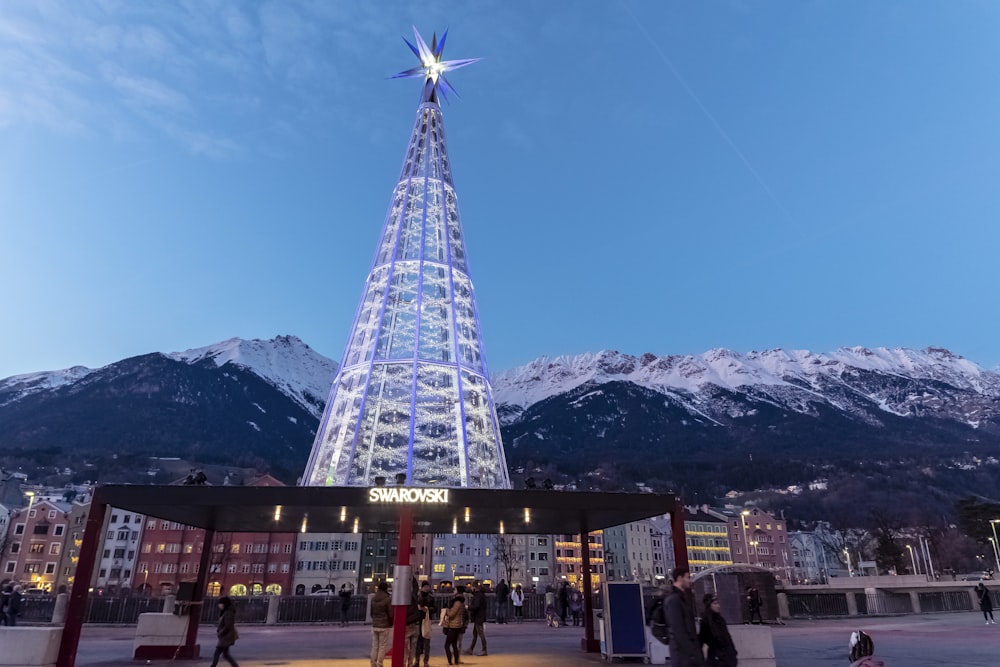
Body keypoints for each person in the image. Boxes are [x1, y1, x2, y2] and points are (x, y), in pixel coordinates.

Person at [665, 568, 704, 667]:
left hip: (685, 655)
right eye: (687, 577)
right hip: (683, 656)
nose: (689, 580)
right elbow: (678, 630)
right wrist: (692, 653)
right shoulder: (674, 600)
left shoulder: (680, 598)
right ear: (679, 578)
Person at [699, 594, 738, 667]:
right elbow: (702, 639)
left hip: (728, 657)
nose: (718, 606)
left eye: (718, 603)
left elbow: (727, 637)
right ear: (709, 605)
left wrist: (733, 653)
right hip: (716, 658)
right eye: (715, 604)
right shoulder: (705, 622)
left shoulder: (720, 619)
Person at [209, 596, 239, 667]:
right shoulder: (226, 612)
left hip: (226, 636)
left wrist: (220, 632)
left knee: (217, 652)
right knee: (226, 654)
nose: (219, 605)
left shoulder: (228, 613)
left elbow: (228, 625)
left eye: (220, 603)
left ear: (224, 604)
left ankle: (213, 666)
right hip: (226, 636)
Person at [415, 581, 438, 667]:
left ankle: (425, 661)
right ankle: (417, 660)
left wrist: (428, 609)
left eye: (428, 586)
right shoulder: (418, 596)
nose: (427, 588)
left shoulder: (431, 597)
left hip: (427, 620)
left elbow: (435, 608)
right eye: (425, 586)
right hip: (419, 620)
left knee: (426, 641)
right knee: (418, 641)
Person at [370, 582, 393, 667]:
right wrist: (391, 622)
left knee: (375, 645)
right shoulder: (387, 599)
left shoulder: (373, 599)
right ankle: (380, 663)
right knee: (382, 646)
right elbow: (390, 613)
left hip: (375, 624)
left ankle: (373, 663)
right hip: (384, 625)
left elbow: (371, 613)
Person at [442, 594, 466, 666]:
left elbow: (451, 614)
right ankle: (456, 661)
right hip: (457, 626)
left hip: (453, 626)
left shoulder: (457, 603)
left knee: (447, 645)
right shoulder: (461, 603)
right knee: (454, 644)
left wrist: (446, 609)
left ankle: (450, 661)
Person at [404, 579, 422, 667]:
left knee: (405, 647)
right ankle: (410, 663)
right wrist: (413, 578)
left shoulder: (403, 599)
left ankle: (403, 663)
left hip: (407, 624)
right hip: (416, 623)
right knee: (413, 647)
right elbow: (415, 588)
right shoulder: (414, 598)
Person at [466, 581, 488, 656]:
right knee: (475, 633)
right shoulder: (480, 595)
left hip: (478, 616)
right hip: (479, 616)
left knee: (480, 633)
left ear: (475, 587)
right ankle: (471, 649)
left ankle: (484, 650)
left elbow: (476, 606)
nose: (471, 588)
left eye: (472, 587)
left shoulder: (478, 596)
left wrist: (468, 607)